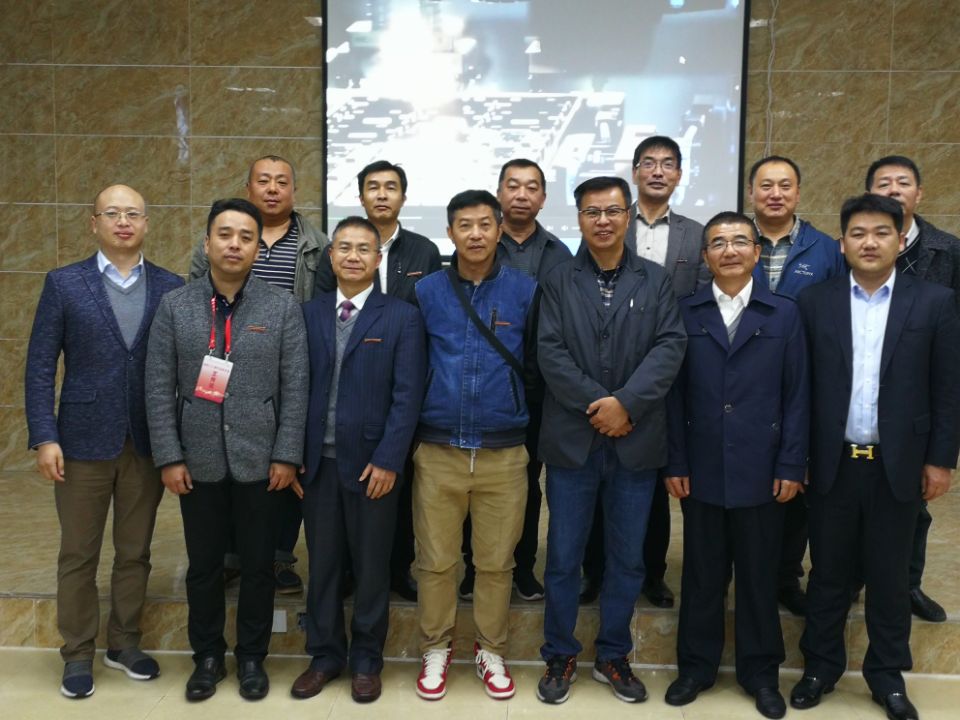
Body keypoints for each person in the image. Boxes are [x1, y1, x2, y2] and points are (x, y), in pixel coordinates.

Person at [791, 194, 960, 720]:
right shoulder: (814, 302)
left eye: (881, 232)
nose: (869, 242)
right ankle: (820, 668)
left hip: (899, 464)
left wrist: (940, 459)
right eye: (858, 233)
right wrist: (798, 457)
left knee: (890, 578)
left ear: (900, 239)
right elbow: (798, 389)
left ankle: (887, 676)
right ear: (842, 243)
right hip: (831, 462)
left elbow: (948, 388)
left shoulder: (934, 302)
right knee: (828, 574)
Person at [25, 185, 183, 699]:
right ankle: (77, 653)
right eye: (112, 213)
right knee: (78, 553)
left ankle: (124, 643)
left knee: (134, 552)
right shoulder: (64, 284)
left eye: (133, 213)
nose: (123, 221)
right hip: (80, 441)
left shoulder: (171, 286)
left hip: (147, 441)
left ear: (147, 223)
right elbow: (40, 365)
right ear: (94, 222)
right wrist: (44, 436)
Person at [147, 198, 308, 702]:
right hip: (196, 461)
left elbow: (296, 387)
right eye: (225, 234)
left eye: (245, 237)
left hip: (262, 460)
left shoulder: (281, 307)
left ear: (258, 249)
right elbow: (157, 386)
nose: (234, 244)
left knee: (259, 566)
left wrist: (286, 454)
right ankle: (208, 656)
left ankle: (253, 657)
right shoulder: (175, 305)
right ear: (207, 243)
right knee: (204, 568)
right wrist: (169, 456)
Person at [536, 176, 686, 705]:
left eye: (612, 211)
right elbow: (550, 352)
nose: (603, 220)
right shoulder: (557, 279)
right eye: (592, 212)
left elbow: (670, 346)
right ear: (578, 218)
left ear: (628, 216)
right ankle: (559, 652)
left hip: (635, 440)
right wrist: (602, 406)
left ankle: (613, 655)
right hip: (573, 442)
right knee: (563, 557)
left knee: (627, 559)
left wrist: (627, 404)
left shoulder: (656, 280)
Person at [663, 212, 809, 720]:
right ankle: (695, 669)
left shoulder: (784, 314)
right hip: (701, 467)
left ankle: (761, 674)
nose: (730, 250)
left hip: (763, 470)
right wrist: (675, 460)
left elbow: (798, 395)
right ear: (705, 256)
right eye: (718, 243)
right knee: (702, 576)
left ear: (756, 253)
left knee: (758, 576)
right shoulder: (686, 311)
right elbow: (673, 396)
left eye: (740, 241)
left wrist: (792, 463)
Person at [292, 217, 426, 703]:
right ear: (330, 257)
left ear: (377, 258)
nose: (353, 256)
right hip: (317, 465)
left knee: (371, 568)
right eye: (344, 247)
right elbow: (292, 389)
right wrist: (292, 455)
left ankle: (367, 660)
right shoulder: (306, 315)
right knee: (324, 565)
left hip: (374, 466)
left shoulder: (402, 317)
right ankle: (325, 655)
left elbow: (408, 395)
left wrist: (390, 459)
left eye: (363, 249)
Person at [412, 190, 538, 701]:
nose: (476, 234)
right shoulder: (426, 292)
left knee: (496, 563)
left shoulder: (526, 290)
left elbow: (538, 365)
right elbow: (412, 364)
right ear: (450, 233)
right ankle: (435, 647)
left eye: (485, 224)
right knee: (436, 561)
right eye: (465, 225)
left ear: (499, 229)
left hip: (502, 453)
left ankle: (491, 649)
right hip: (438, 449)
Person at [189, 154, 327, 594]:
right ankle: (231, 556)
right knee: (228, 459)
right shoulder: (220, 239)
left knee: (286, 461)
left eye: (281, 182)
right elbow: (196, 296)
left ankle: (279, 557)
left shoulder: (317, 245)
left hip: (288, 360)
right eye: (263, 181)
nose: (272, 189)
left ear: (294, 191)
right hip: (224, 361)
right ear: (248, 188)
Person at [316, 160, 441, 602]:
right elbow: (324, 317)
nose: (382, 194)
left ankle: (396, 570)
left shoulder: (424, 250)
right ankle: (352, 573)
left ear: (404, 196)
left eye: (391, 187)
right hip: (350, 383)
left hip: (402, 373)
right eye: (373, 187)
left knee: (395, 490)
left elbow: (432, 311)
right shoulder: (339, 249)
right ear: (361, 195)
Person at [459, 158, 572, 603]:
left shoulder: (560, 254)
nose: (522, 194)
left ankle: (522, 567)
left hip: (542, 391)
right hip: (481, 388)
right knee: (474, 481)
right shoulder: (481, 243)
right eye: (513, 185)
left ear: (543, 198)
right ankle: (474, 568)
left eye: (531, 187)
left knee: (526, 483)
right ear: (499, 193)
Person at [748, 154, 845, 617]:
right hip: (739, 385)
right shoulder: (731, 240)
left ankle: (786, 576)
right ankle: (744, 572)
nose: (775, 194)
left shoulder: (825, 250)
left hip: (804, 384)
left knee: (795, 486)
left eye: (785, 185)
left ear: (799, 192)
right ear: (751, 193)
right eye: (766, 185)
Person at [866, 155, 960, 623]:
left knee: (913, 503)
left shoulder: (948, 251)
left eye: (903, 182)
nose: (893, 189)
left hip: (916, 401)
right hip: (860, 396)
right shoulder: (853, 248)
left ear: (919, 194)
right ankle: (853, 580)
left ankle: (908, 584)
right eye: (883, 183)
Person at [619, 135, 712, 609]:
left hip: (673, 373)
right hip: (615, 372)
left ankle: (652, 573)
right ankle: (599, 569)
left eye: (668, 164)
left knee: (659, 477)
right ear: (635, 171)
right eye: (649, 163)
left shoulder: (697, 235)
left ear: (678, 174)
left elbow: (702, 302)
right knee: (612, 474)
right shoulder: (613, 224)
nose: (658, 171)